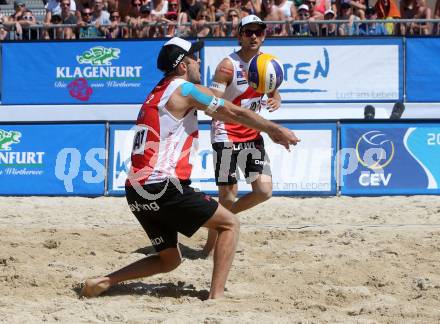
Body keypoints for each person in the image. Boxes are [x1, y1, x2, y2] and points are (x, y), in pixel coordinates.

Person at [81, 37, 300, 300]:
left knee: (169, 260)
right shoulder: (184, 90)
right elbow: (234, 113)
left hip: (136, 191)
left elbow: (222, 101)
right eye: (194, 58)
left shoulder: (158, 91)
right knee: (229, 224)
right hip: (163, 187)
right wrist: (275, 130)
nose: (198, 61)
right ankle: (216, 299)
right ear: (183, 65)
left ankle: (103, 282)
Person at [203, 15, 288, 256]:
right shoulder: (227, 66)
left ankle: (218, 220)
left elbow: (274, 91)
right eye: (248, 32)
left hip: (252, 134)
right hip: (225, 133)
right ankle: (209, 246)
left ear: (264, 36)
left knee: (263, 191)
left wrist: (275, 99)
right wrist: (228, 107)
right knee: (228, 195)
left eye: (258, 32)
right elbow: (212, 104)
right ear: (239, 35)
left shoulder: (267, 64)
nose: (253, 36)